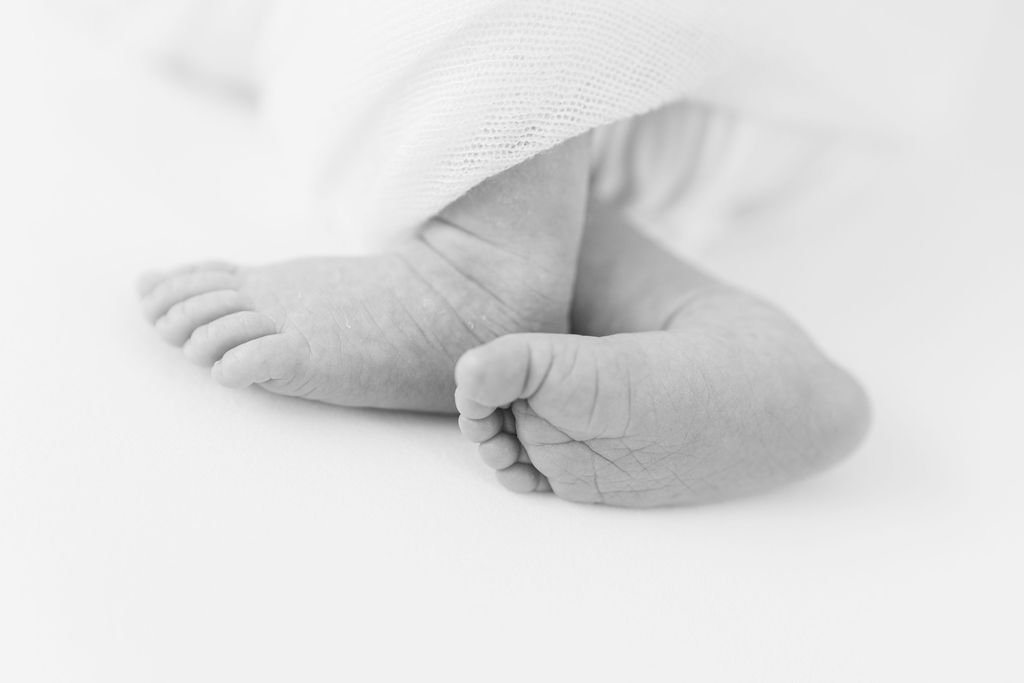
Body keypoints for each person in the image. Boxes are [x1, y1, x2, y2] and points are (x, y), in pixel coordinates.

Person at [126, 0, 875, 506]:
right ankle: (712, 322)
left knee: (504, 95)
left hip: (578, 56)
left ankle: (480, 263)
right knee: (534, 130)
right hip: (788, 108)